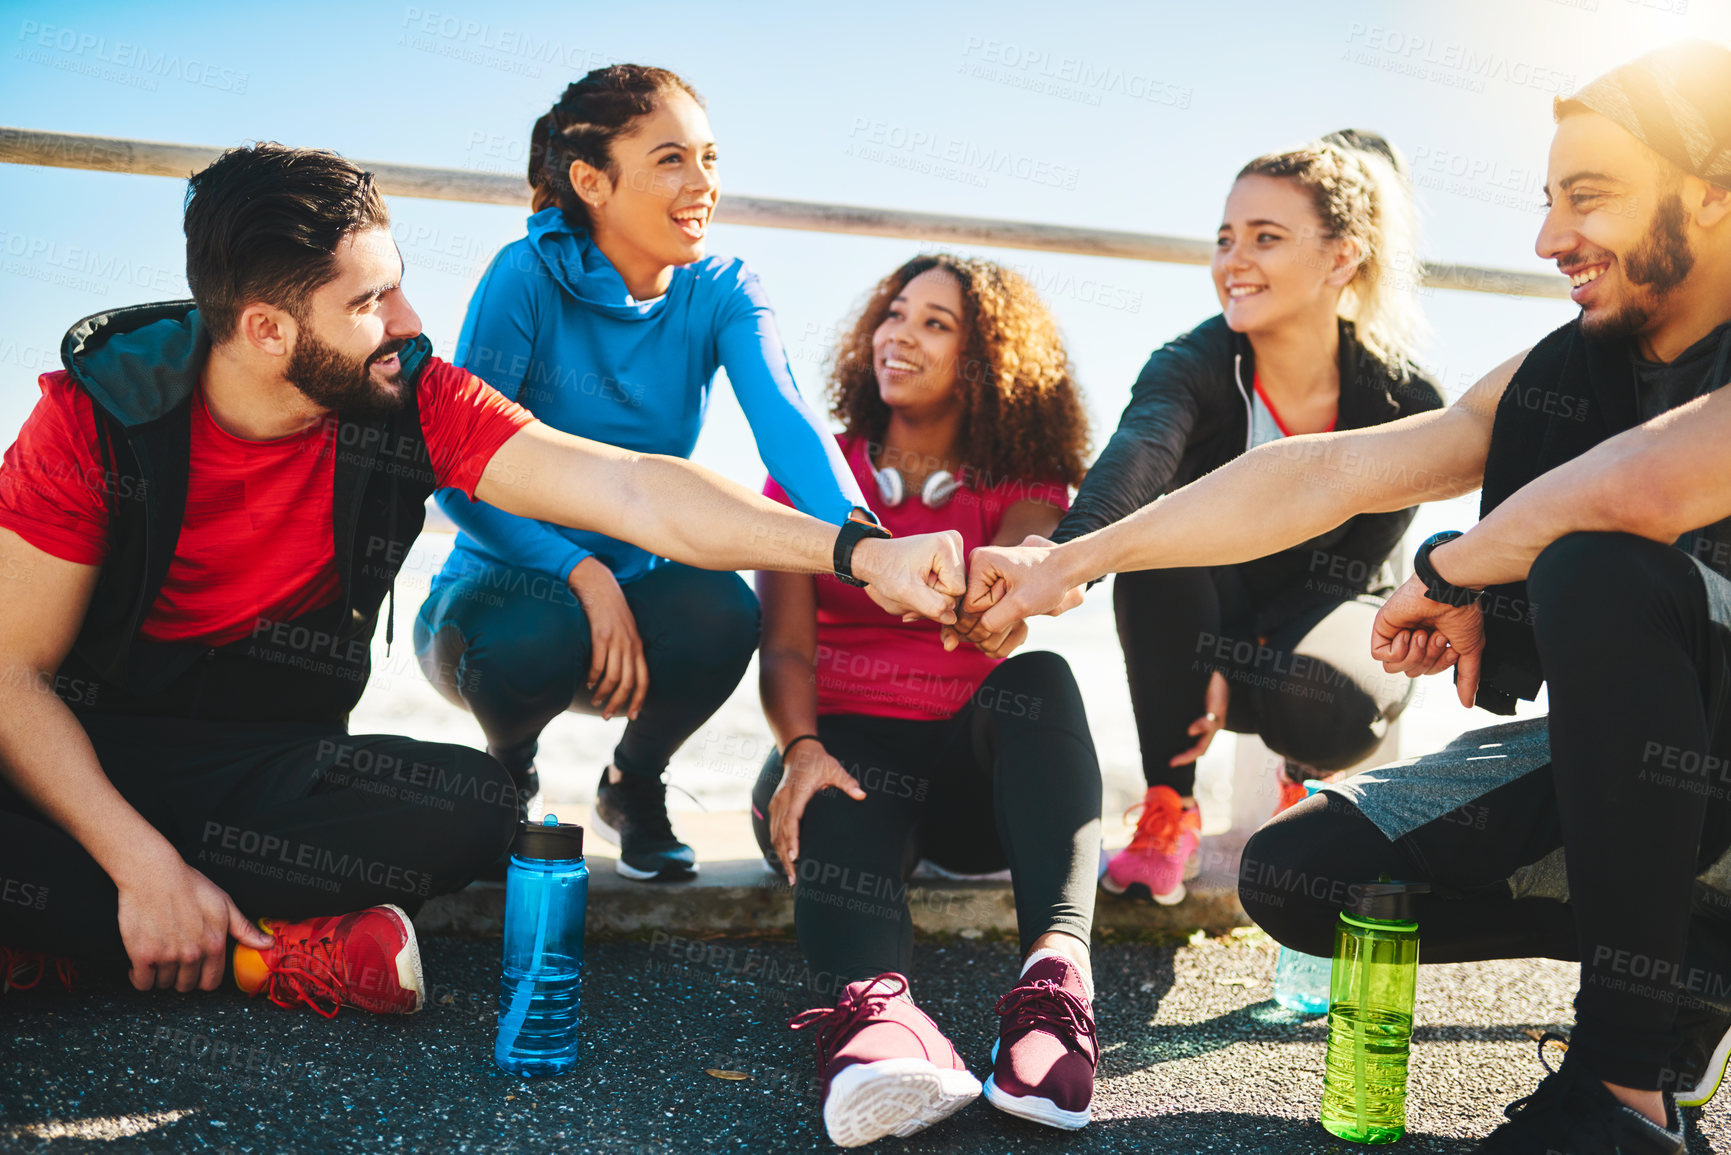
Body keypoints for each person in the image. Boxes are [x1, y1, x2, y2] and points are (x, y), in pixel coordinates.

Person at [958, 41, 1731, 1155]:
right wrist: (1062, 565)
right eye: (1550, 201)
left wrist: (1456, 567)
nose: (1551, 239)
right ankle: (1692, 969)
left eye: (1590, 198)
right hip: (1664, 773)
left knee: (1597, 567)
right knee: (1304, 876)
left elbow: (1651, 482)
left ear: (1711, 193)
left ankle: (1622, 1086)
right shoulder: (1574, 368)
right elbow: (1322, 471)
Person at [0, 142, 963, 1017]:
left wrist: (860, 551)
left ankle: (78, 935)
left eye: (400, 285)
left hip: (269, 769)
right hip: (94, 755)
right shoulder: (97, 419)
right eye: (369, 300)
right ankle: (276, 948)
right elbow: (11, 676)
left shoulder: (413, 394)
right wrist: (140, 862)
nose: (410, 323)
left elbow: (632, 490)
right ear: (265, 329)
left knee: (474, 803)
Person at [416, 65, 871, 883]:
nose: (703, 185)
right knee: (534, 630)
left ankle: (632, 784)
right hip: (495, 601)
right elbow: (456, 475)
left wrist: (866, 540)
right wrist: (581, 572)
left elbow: (787, 427)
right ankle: (508, 771)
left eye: (710, 158)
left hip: (643, 601)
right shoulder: (523, 276)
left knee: (727, 611)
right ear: (591, 180)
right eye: (671, 160)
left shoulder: (724, 290)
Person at [752, 255, 1100, 1145]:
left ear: (985, 358)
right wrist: (799, 748)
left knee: (1042, 680)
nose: (899, 335)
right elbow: (786, 644)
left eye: (935, 323)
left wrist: (996, 588)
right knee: (834, 777)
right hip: (841, 749)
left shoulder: (1021, 475)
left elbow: (1024, 552)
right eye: (894, 313)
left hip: (966, 780)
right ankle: (876, 1027)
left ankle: (1053, 990)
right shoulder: (809, 465)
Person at [1046, 130, 1442, 906]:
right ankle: (1169, 807)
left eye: (1266, 237)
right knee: (1155, 554)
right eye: (1225, 237)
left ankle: (1301, 792)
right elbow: (1139, 455)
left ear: (1339, 258)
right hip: (1211, 594)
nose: (1234, 259)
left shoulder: (1405, 401)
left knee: (1329, 700)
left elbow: (1359, 563)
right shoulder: (1191, 363)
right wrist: (1060, 556)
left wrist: (1240, 658)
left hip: (1332, 605)